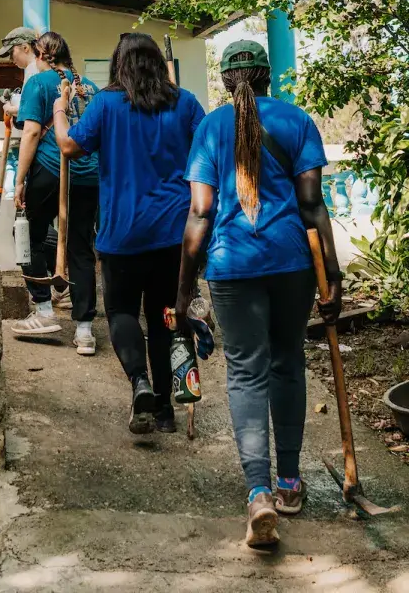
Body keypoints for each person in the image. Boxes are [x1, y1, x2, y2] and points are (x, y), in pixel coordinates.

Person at [178, 40, 342, 550]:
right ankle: (291, 483)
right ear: (267, 77)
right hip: (292, 262)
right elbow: (312, 205)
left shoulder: (209, 128)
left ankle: (259, 492)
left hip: (233, 266)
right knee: (288, 364)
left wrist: (183, 291)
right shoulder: (297, 122)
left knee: (247, 371)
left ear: (226, 81)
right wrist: (331, 277)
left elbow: (200, 214)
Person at [55, 32, 205, 433]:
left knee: (121, 312)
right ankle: (164, 408)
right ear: (157, 62)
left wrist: (58, 113)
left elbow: (69, 147)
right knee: (163, 318)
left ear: (118, 65)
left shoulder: (106, 104)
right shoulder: (185, 102)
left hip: (122, 234)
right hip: (175, 233)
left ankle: (139, 381)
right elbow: (208, 151)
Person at [11, 32, 100, 354]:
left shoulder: (39, 82)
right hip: (90, 175)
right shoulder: (90, 86)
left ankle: (44, 310)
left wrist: (19, 179)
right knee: (80, 247)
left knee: (27, 237)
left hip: (51, 170)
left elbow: (32, 131)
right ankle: (85, 330)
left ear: (40, 54)